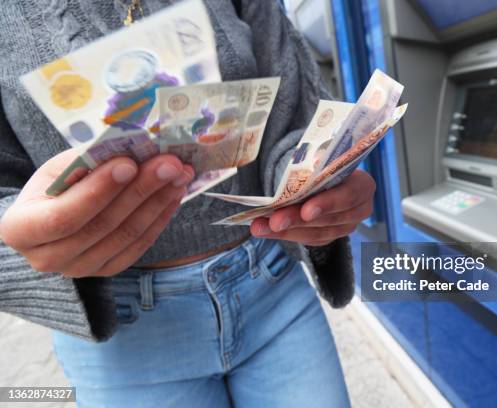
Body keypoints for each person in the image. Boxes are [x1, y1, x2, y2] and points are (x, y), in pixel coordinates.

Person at [0, 0, 376, 407]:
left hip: (272, 287)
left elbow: (291, 110)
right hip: (127, 344)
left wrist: (310, 181)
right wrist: (27, 245)